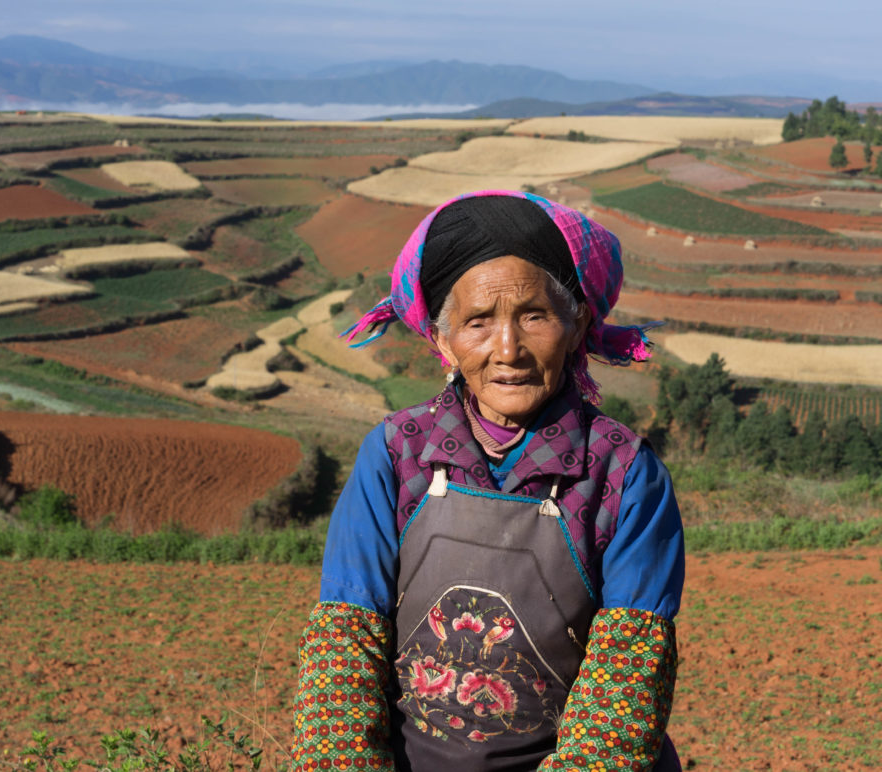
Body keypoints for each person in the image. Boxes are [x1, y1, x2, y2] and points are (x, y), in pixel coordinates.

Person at [290, 190, 685, 772]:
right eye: (479, 321)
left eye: (534, 316)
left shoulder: (624, 475)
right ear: (443, 340)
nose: (509, 350)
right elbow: (344, 649)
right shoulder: (397, 455)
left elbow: (624, 690)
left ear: (575, 327)